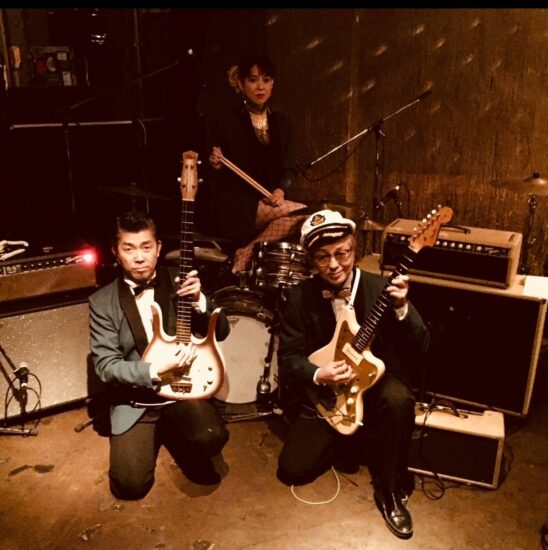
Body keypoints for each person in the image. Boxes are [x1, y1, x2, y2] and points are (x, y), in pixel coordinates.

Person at [276, 209, 430, 540]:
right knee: (292, 470)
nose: (334, 264)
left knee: (399, 399)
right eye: (323, 257)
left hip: (375, 384)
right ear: (311, 260)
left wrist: (402, 307)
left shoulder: (382, 289)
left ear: (354, 248)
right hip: (330, 393)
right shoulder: (300, 297)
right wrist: (318, 373)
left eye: (342, 253)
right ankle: (354, 442)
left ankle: (389, 493)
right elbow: (288, 358)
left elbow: (421, 345)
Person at [89, 211, 231, 500]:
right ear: (116, 252)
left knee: (211, 437)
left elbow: (223, 331)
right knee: (129, 486)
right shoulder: (102, 302)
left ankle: (176, 431)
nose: (139, 257)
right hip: (136, 400)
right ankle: (154, 434)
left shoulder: (182, 281)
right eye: (129, 249)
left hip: (183, 391)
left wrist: (200, 302)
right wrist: (153, 369)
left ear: (158, 248)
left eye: (146, 247)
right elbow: (105, 366)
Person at [204, 53, 308, 273]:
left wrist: (280, 190)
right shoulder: (226, 121)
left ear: (273, 84)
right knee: (300, 213)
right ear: (241, 84)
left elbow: (289, 166)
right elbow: (212, 169)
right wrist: (214, 164)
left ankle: (247, 252)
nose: (260, 87)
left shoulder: (283, 122)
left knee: (302, 216)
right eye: (253, 80)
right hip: (236, 203)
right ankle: (247, 253)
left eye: (266, 80)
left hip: (270, 200)